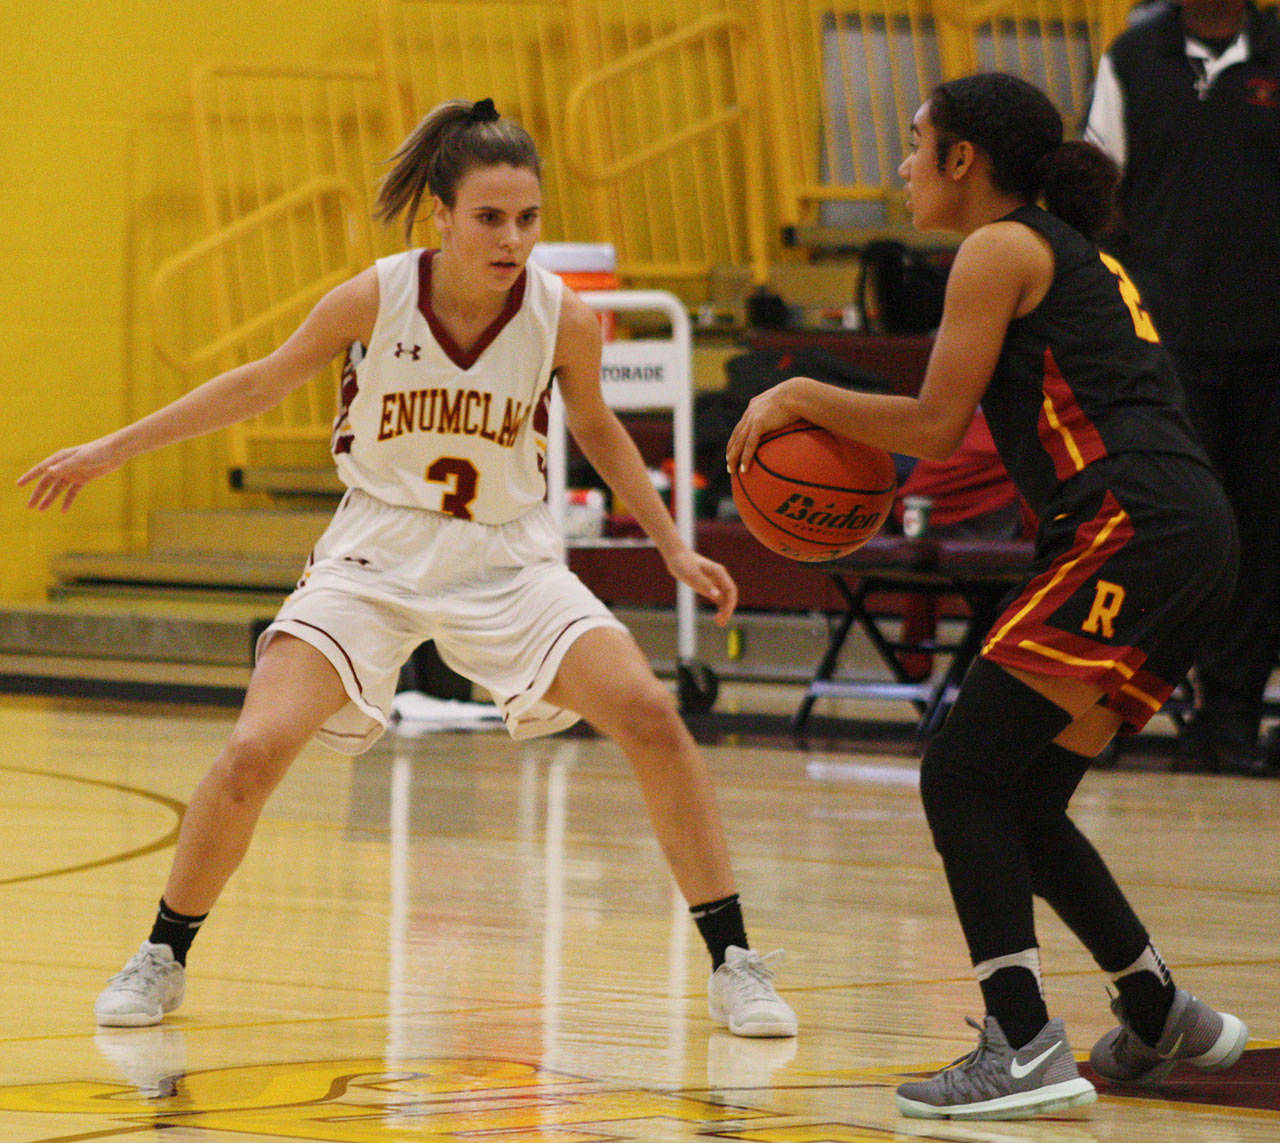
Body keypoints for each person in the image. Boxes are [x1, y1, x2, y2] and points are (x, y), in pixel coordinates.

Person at [20, 97, 796, 1040]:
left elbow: (596, 430)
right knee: (254, 749)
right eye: (490, 218)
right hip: (374, 553)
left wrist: (674, 544)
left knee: (650, 714)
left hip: (507, 555)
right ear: (441, 215)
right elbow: (259, 381)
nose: (513, 238)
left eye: (528, 218)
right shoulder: (376, 296)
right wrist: (111, 449)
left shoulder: (561, 318)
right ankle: (162, 954)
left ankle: (735, 962)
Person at [728, 72, 1248, 1120]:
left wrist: (792, 390)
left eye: (917, 145)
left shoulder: (1000, 244)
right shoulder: (1065, 249)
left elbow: (929, 423)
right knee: (1021, 792)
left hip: (1125, 526)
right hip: (1186, 530)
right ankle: (1155, 1014)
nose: (904, 165)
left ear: (964, 159)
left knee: (959, 775)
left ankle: (1018, 1043)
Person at [1085, 0, 1280, 776]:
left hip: (1272, 345)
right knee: (1164, 530)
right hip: (1159, 346)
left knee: (1263, 534)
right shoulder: (1133, 57)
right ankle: (1116, 707)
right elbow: (1099, 189)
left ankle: (1229, 717)